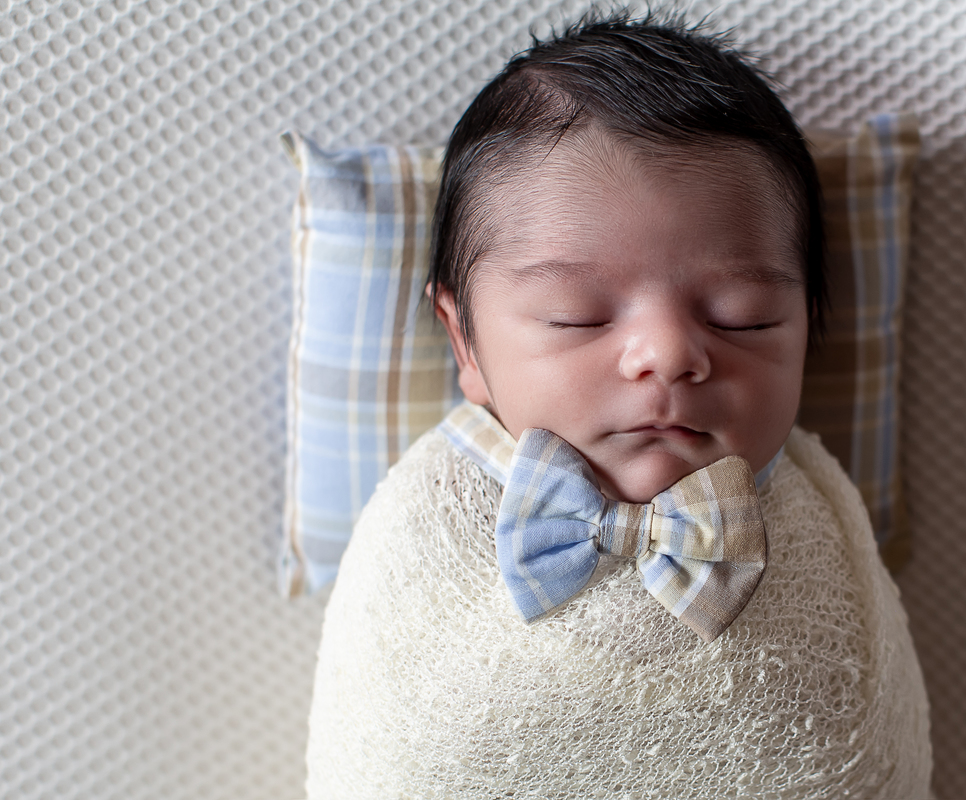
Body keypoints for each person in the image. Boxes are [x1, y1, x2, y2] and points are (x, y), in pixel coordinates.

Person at [306, 11, 932, 798]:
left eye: (742, 317)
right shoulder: (423, 519)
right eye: (577, 316)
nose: (668, 354)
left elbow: (861, 748)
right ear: (465, 344)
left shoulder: (822, 522)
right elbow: (389, 742)